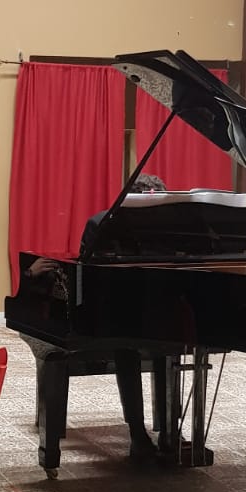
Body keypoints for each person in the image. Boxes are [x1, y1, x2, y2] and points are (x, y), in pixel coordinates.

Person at [80, 174, 169, 460]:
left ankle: (170, 429)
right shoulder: (102, 224)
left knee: (171, 349)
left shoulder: (176, 229)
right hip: (111, 307)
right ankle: (137, 431)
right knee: (125, 346)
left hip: (161, 304)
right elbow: (86, 275)